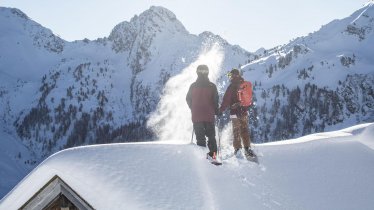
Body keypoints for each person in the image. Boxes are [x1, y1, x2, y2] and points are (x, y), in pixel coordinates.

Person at [219, 68, 255, 158]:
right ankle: (247, 148)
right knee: (244, 130)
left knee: (236, 131)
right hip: (244, 112)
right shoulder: (244, 84)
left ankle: (238, 149)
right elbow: (249, 98)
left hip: (234, 112)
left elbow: (226, 100)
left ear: (233, 76)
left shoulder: (231, 87)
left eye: (230, 75)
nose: (229, 77)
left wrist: (220, 110)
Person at [186, 64, 219, 161]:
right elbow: (215, 100)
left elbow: (188, 99)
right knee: (211, 137)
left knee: (200, 139)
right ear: (207, 72)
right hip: (209, 115)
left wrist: (193, 107)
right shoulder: (212, 86)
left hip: (197, 116)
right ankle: (212, 158)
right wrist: (216, 111)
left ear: (197, 72)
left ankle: (203, 161)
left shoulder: (193, 86)